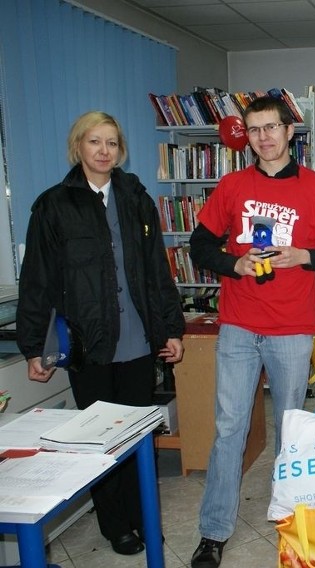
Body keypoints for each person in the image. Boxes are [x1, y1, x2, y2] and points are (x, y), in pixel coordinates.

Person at [187, 95, 315, 568]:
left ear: (289, 132)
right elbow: (199, 244)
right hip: (240, 326)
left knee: (291, 432)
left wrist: (305, 256)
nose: (263, 137)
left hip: (291, 328)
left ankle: (292, 523)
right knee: (229, 429)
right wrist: (233, 263)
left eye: (271, 127)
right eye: (254, 129)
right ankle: (213, 532)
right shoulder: (232, 186)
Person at [16, 110, 186, 556]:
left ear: (120, 149)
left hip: (137, 339)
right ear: (79, 147)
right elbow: (37, 279)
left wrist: (171, 328)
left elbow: (156, 271)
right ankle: (116, 524)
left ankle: (142, 514)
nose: (104, 151)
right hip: (89, 344)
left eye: (111, 142)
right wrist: (33, 345)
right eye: (95, 142)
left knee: (136, 436)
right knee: (99, 441)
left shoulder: (135, 198)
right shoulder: (53, 205)